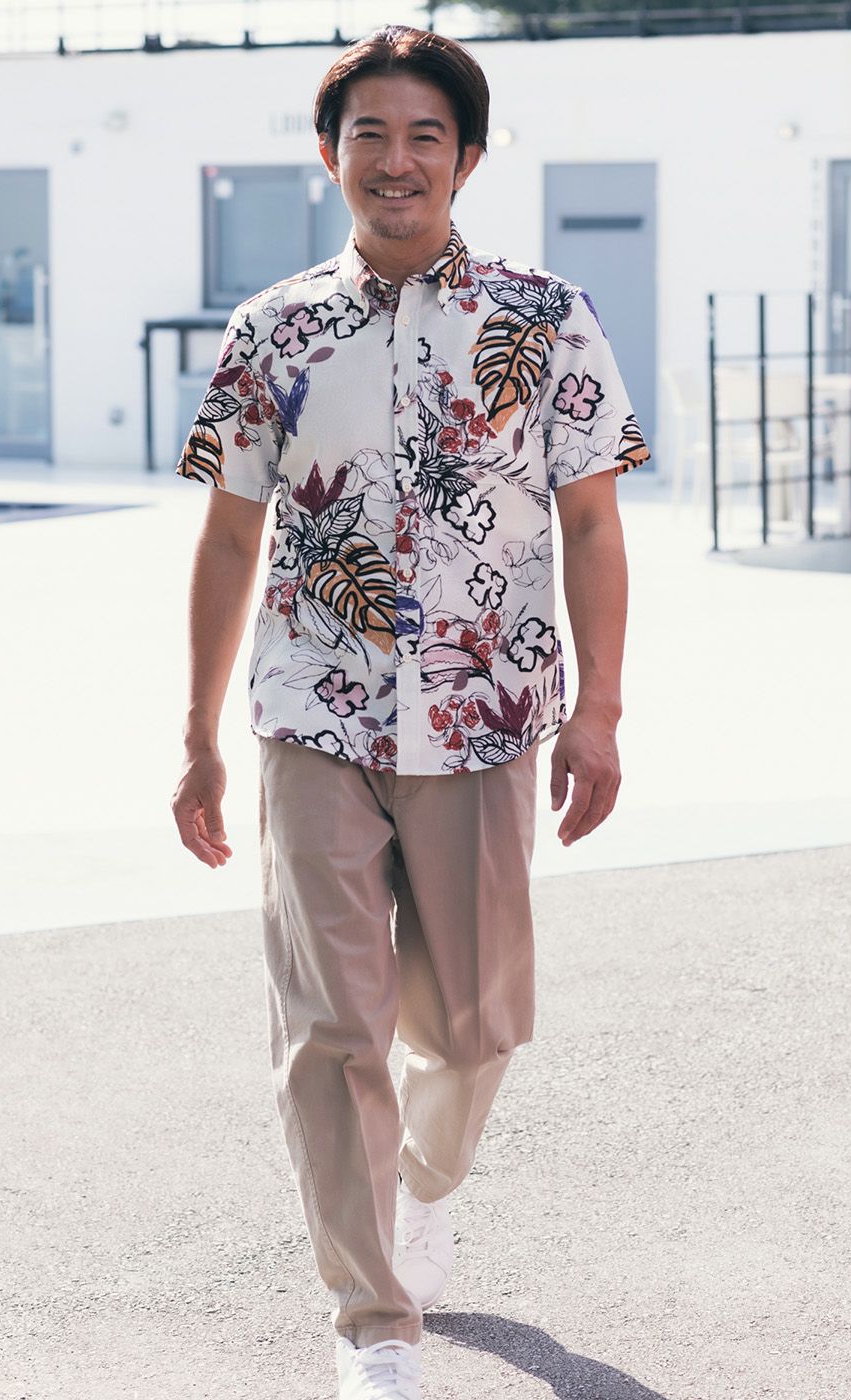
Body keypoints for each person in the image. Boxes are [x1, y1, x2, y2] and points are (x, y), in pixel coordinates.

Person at [171, 24, 650, 1400]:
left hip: (486, 716)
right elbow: (228, 537)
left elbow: (594, 524)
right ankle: (373, 1322)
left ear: (467, 159)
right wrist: (196, 736)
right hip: (311, 715)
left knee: (479, 1024)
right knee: (332, 1032)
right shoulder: (271, 329)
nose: (395, 160)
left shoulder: (545, 317)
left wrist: (600, 711)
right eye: (368, 135)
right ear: (330, 157)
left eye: (423, 136)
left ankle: (422, 1188)